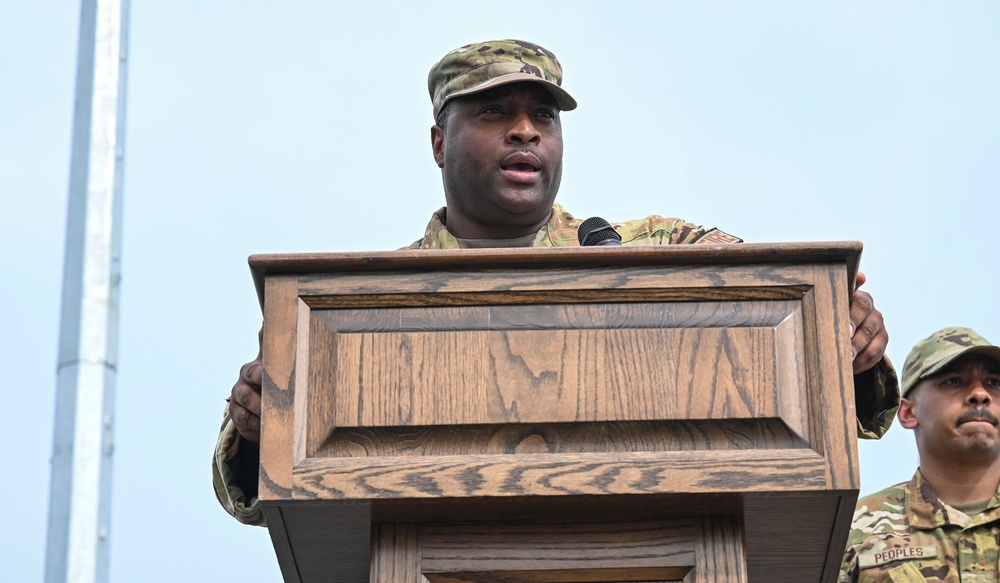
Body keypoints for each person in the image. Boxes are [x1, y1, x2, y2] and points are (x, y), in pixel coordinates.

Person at [213, 39, 898, 526]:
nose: (524, 131)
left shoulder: (651, 253)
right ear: (438, 143)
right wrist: (253, 427)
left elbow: (778, 308)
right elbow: (248, 492)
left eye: (543, 117)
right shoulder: (358, 302)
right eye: (492, 113)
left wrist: (851, 346)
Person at [768, 326, 1000, 583]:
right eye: (953, 381)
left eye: (994, 382)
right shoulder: (851, 534)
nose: (980, 394)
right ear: (907, 412)